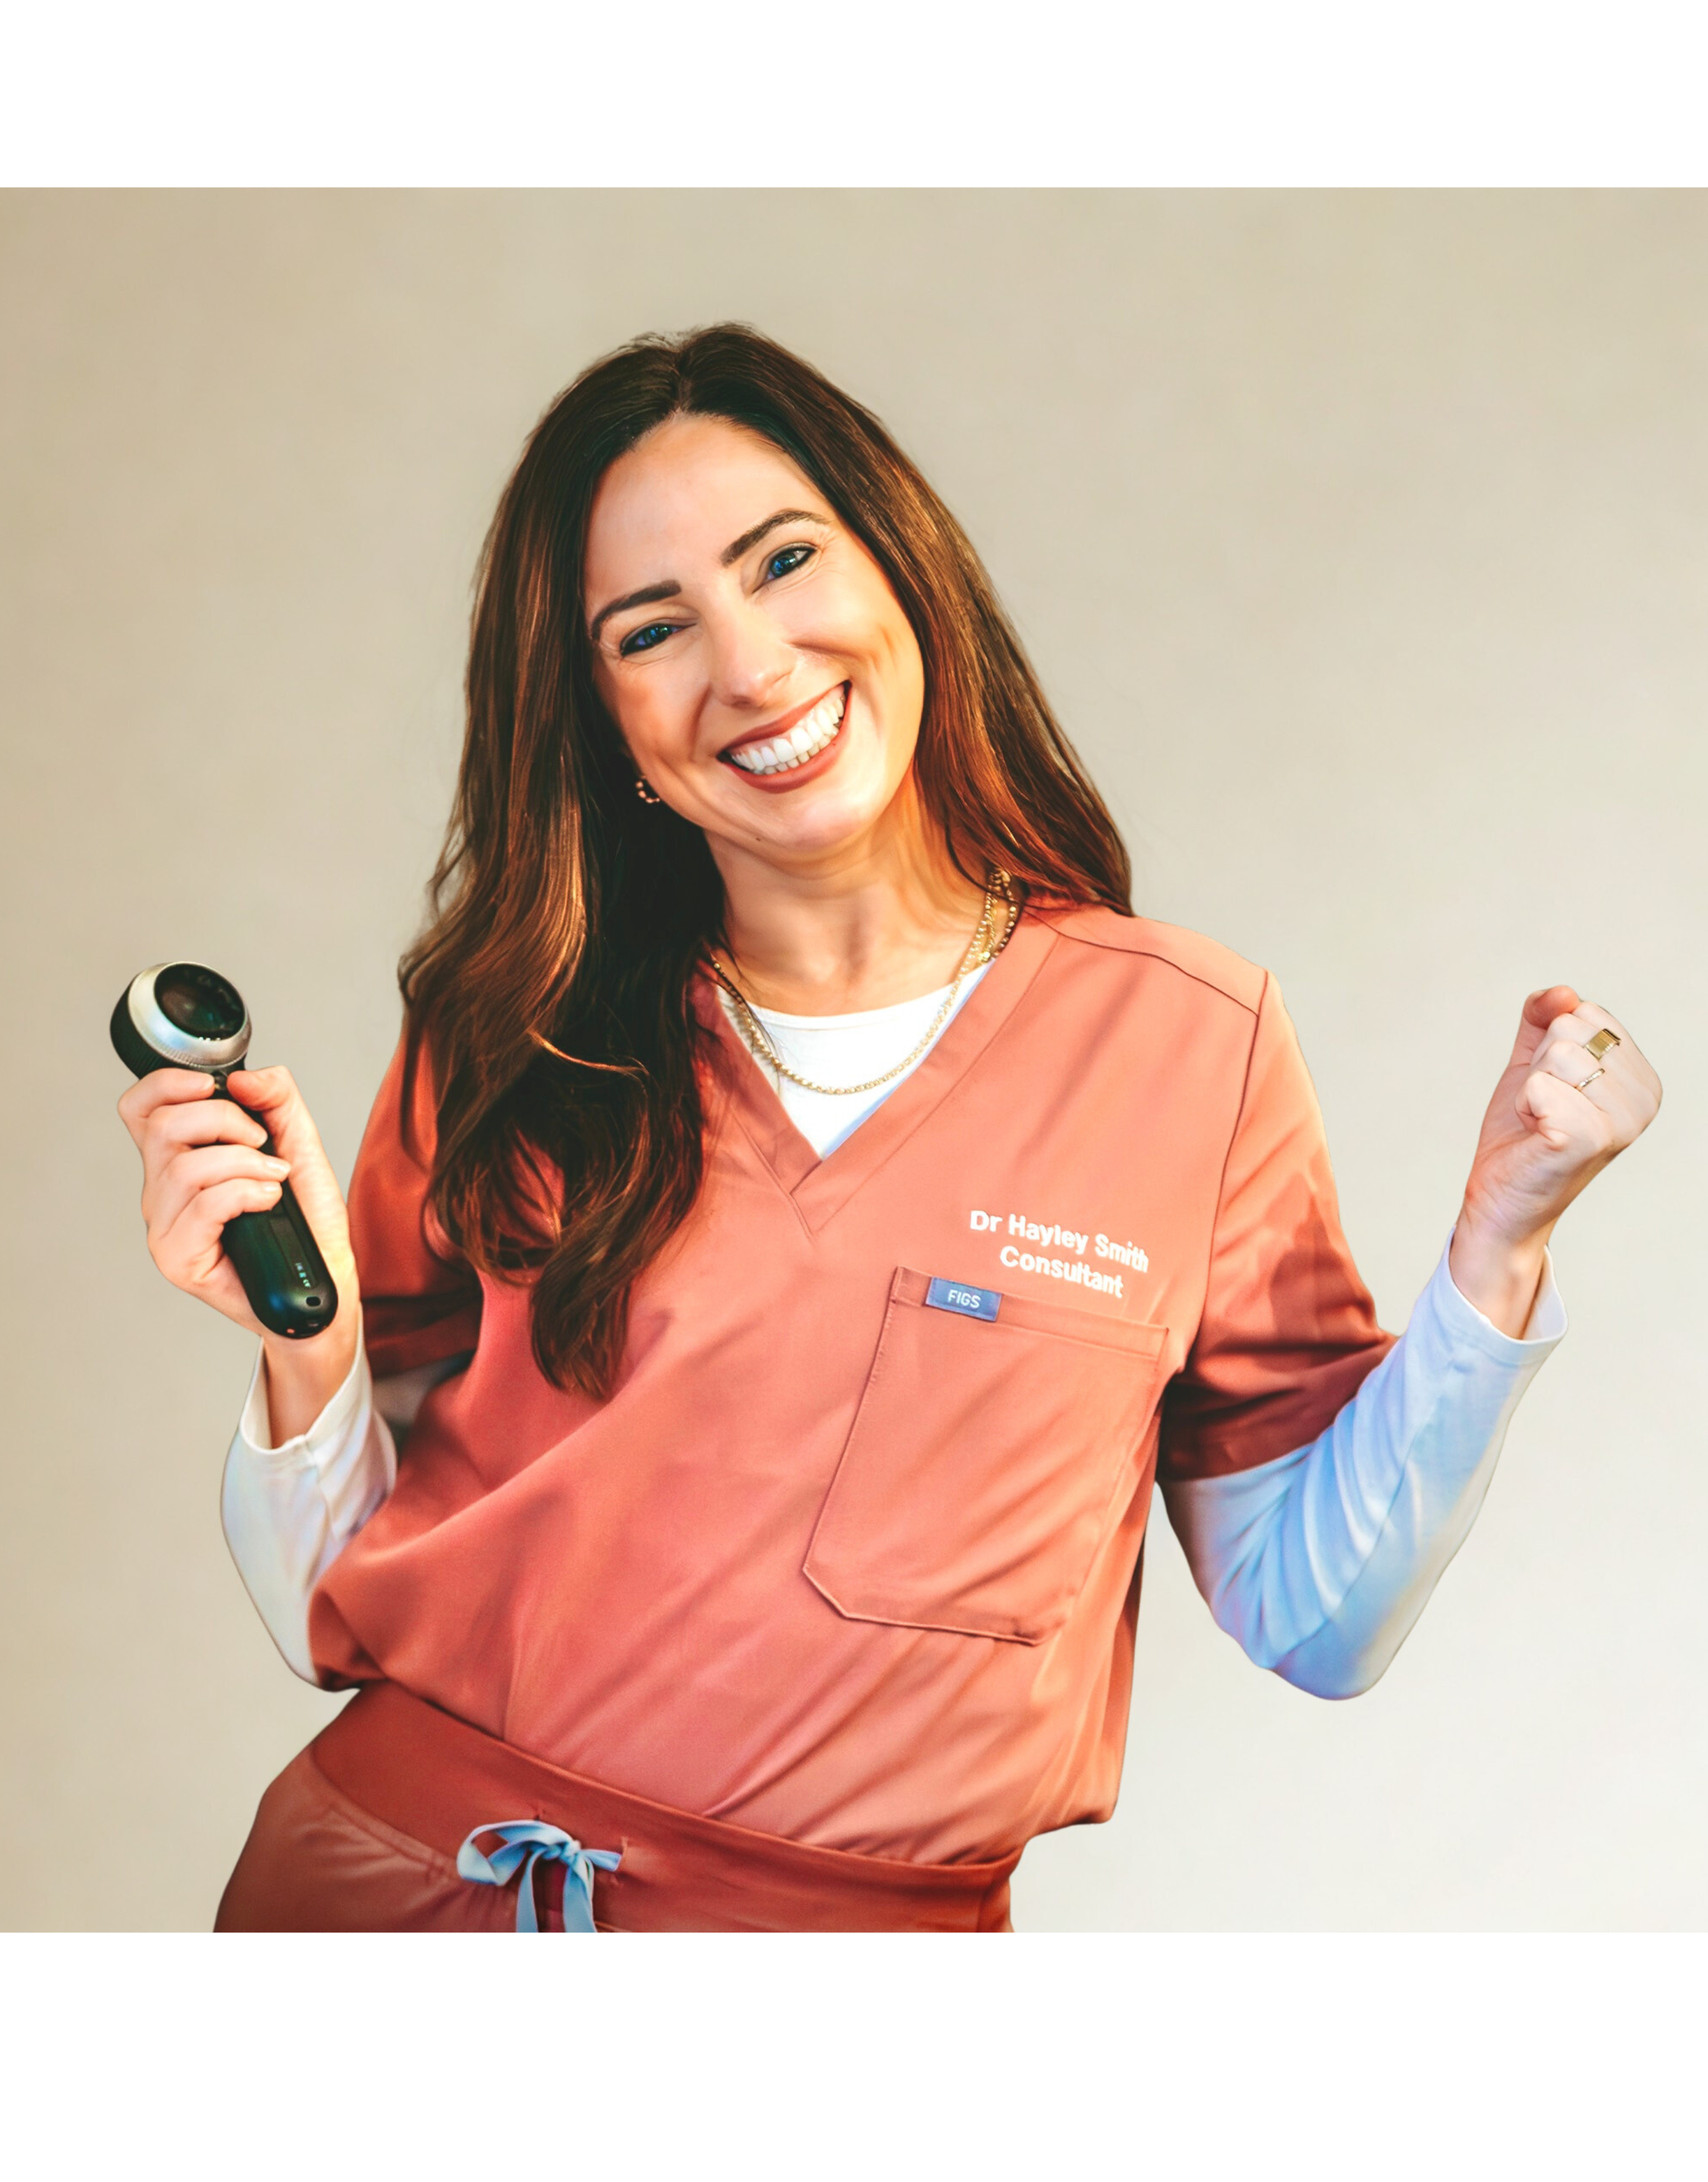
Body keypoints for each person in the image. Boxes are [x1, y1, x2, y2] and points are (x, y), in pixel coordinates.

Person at [117, 324, 1661, 1933]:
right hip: (402, 1905)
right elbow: (324, 1605)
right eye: (653, 629)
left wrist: (1502, 1236)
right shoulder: (514, 1038)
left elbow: (1315, 1618)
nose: (753, 666)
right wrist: (298, 1339)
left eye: (781, 560)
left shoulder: (1185, 1048)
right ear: (607, 732)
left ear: (902, 566)